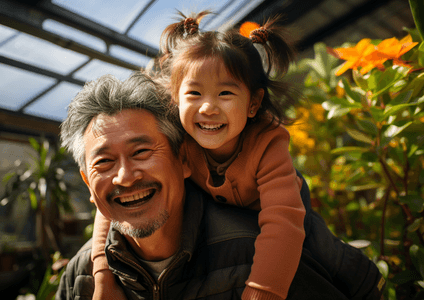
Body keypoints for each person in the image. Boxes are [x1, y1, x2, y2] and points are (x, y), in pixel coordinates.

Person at [91, 11, 385, 300]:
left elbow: (282, 223)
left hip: (285, 206)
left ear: (254, 104)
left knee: (321, 249)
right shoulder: (178, 136)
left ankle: (371, 286)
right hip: (224, 210)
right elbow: (113, 202)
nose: (207, 108)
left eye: (225, 94)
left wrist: (261, 291)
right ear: (175, 98)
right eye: (194, 94)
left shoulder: (267, 143)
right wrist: (102, 274)